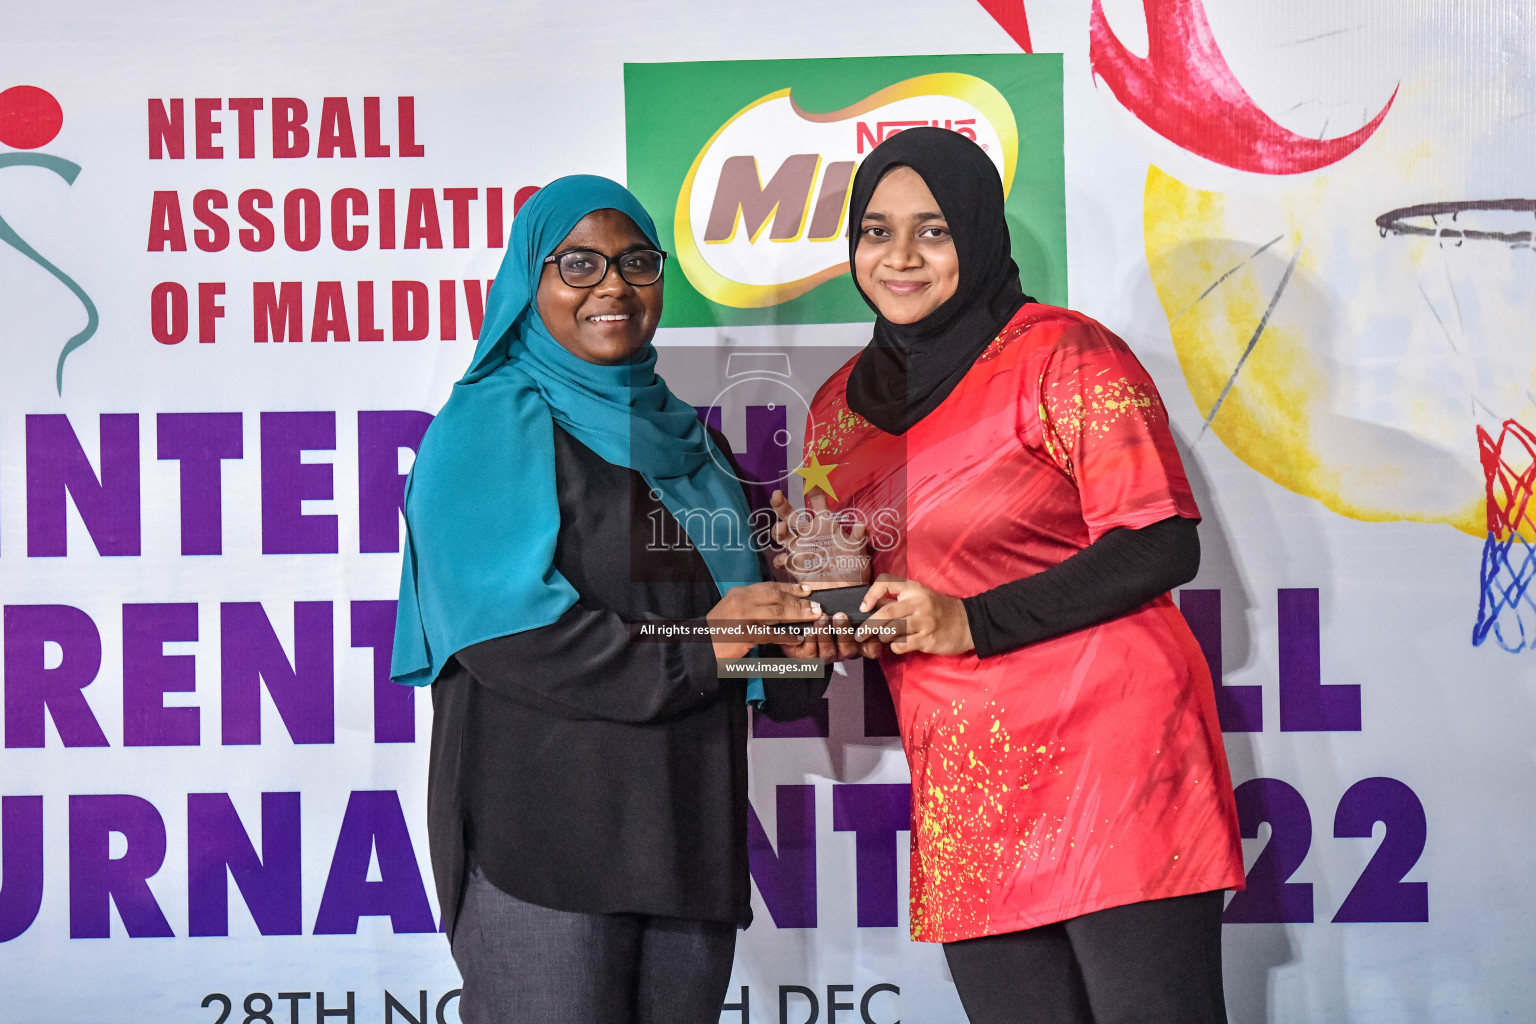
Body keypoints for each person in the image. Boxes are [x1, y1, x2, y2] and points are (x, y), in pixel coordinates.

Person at [775, 128, 1246, 1024]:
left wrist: (970, 620)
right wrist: (823, 612)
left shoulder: (1065, 355)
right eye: (876, 231)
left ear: (981, 235)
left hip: (1114, 759)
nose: (900, 256)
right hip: (967, 782)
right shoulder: (837, 409)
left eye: (934, 230)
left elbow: (1158, 543)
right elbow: (864, 584)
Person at [390, 175, 852, 1024]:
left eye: (637, 261)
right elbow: (512, 638)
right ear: (531, 281)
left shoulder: (696, 447)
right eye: (580, 263)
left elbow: (764, 660)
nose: (614, 285)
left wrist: (817, 610)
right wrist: (704, 647)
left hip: (684, 836)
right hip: (543, 840)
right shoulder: (490, 424)